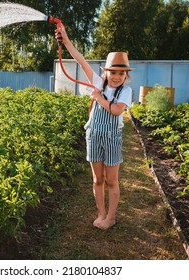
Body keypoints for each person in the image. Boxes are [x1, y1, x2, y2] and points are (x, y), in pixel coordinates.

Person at [56, 26, 133, 230]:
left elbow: (117, 111)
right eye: (113, 72)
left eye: (121, 73)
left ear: (125, 75)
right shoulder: (99, 82)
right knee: (97, 179)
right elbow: (81, 61)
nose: (116, 76)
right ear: (105, 72)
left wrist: (98, 98)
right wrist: (66, 40)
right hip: (94, 136)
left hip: (111, 139)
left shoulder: (126, 91)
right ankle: (101, 212)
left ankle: (112, 217)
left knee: (111, 181)